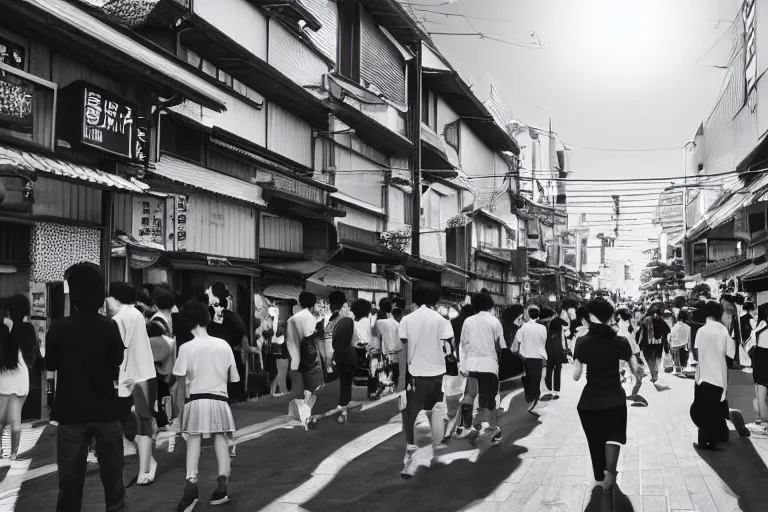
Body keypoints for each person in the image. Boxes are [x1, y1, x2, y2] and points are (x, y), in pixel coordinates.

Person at [46, 263, 127, 511]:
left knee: (70, 483)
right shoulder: (109, 327)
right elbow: (119, 360)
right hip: (106, 411)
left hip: (70, 412)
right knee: (113, 482)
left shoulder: (59, 328)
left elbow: (51, 363)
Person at [173, 299, 239, 511]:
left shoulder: (186, 348)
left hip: (196, 400)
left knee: (194, 439)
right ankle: (222, 485)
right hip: (220, 399)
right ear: (207, 319)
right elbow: (234, 379)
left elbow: (180, 384)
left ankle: (191, 488)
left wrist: (178, 414)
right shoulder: (224, 345)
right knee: (221, 438)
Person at [573, 298, 639, 493]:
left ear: (591, 317)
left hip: (589, 400)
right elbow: (636, 369)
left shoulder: (582, 341)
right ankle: (611, 473)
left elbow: (576, 376)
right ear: (611, 317)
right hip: (614, 397)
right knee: (614, 436)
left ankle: (599, 477)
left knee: (595, 439)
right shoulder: (620, 341)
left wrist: (575, 358)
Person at [398, 281, 452, 478]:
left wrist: (401, 381)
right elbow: (448, 350)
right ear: (435, 300)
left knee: (411, 416)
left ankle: (410, 458)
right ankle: (433, 450)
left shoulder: (406, 320)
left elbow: (402, 353)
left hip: (415, 376)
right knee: (435, 411)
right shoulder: (441, 321)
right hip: (438, 375)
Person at [106, 282, 158, 486]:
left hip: (129, 378)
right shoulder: (136, 314)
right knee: (140, 425)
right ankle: (148, 464)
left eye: (109, 297)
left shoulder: (119, 318)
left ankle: (146, 469)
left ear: (115, 298)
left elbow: (116, 351)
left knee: (134, 426)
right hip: (144, 374)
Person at [690, 300, 737, 450]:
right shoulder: (723, 331)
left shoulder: (701, 331)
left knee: (701, 410)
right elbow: (731, 353)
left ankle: (705, 441)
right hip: (719, 376)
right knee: (715, 409)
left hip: (703, 375)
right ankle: (717, 438)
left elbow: (697, 353)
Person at [458, 292, 504, 444]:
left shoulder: (468, 321)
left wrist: (463, 363)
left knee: (470, 394)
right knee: (489, 397)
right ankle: (493, 429)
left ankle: (467, 425)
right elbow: (499, 346)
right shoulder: (494, 321)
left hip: (472, 364)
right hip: (489, 365)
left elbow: (463, 344)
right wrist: (498, 363)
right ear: (490, 305)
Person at [0, 294, 35, 459]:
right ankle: (13, 454)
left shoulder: (3, 327)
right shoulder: (27, 328)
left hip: (4, 374)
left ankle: (1, 451)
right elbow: (31, 352)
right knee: (15, 417)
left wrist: (9, 328)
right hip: (20, 375)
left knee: (1, 416)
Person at [286, 292, 324, 417]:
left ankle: (293, 413)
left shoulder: (292, 319)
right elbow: (310, 341)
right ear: (313, 304)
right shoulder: (310, 319)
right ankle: (305, 414)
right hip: (309, 360)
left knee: (297, 389)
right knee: (313, 389)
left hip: (293, 360)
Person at [206, 290, 248, 403]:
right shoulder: (234, 316)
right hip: (234, 349)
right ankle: (237, 396)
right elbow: (241, 331)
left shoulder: (216, 320)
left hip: (225, 350)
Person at [147, 289, 176, 429]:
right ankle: (166, 419)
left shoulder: (155, 321)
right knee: (165, 393)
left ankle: (162, 421)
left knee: (158, 394)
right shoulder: (171, 319)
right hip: (170, 362)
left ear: (156, 304)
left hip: (158, 364)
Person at [514, 306, 548, 414]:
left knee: (528, 377)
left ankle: (531, 398)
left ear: (528, 314)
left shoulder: (524, 327)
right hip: (538, 356)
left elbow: (519, 340)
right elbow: (544, 341)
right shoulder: (542, 328)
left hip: (527, 356)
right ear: (538, 315)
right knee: (536, 378)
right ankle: (533, 399)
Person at [373, 298, 402, 395]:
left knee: (384, 379)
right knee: (393, 379)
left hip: (384, 356)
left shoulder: (379, 323)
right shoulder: (397, 323)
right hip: (397, 355)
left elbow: (375, 340)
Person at [545, 304, 570, 399]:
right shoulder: (557, 320)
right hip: (557, 348)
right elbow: (566, 324)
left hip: (548, 348)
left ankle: (549, 388)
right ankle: (556, 389)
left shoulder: (546, 323)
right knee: (557, 369)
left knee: (549, 369)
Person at [670, 310, 691, 374]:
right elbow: (689, 340)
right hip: (684, 349)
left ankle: (677, 368)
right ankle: (682, 368)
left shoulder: (674, 327)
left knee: (678, 366)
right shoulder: (688, 327)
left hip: (674, 348)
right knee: (683, 364)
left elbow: (671, 337)